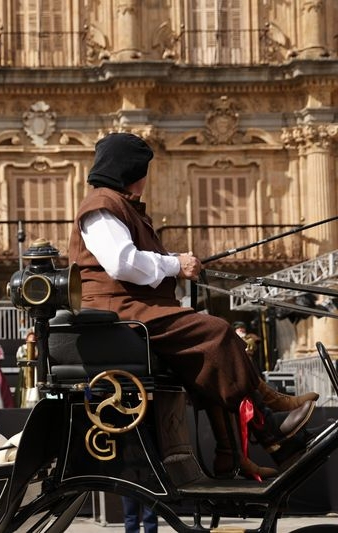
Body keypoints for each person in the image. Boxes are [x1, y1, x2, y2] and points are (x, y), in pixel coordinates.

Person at [67, 132, 317, 479]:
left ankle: (233, 455)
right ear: (128, 171)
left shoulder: (117, 206)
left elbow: (137, 259)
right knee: (217, 332)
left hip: (131, 305)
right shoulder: (102, 207)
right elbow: (122, 263)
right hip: (118, 311)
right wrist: (175, 265)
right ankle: (269, 418)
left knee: (209, 362)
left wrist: (177, 262)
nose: (145, 180)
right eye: (142, 171)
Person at [15, 329, 39, 408]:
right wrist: (28, 358)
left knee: (35, 385)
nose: (32, 339)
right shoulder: (22, 348)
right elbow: (19, 357)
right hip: (25, 370)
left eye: (33, 338)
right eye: (30, 337)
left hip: (34, 369)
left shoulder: (36, 348)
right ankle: (24, 403)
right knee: (25, 386)